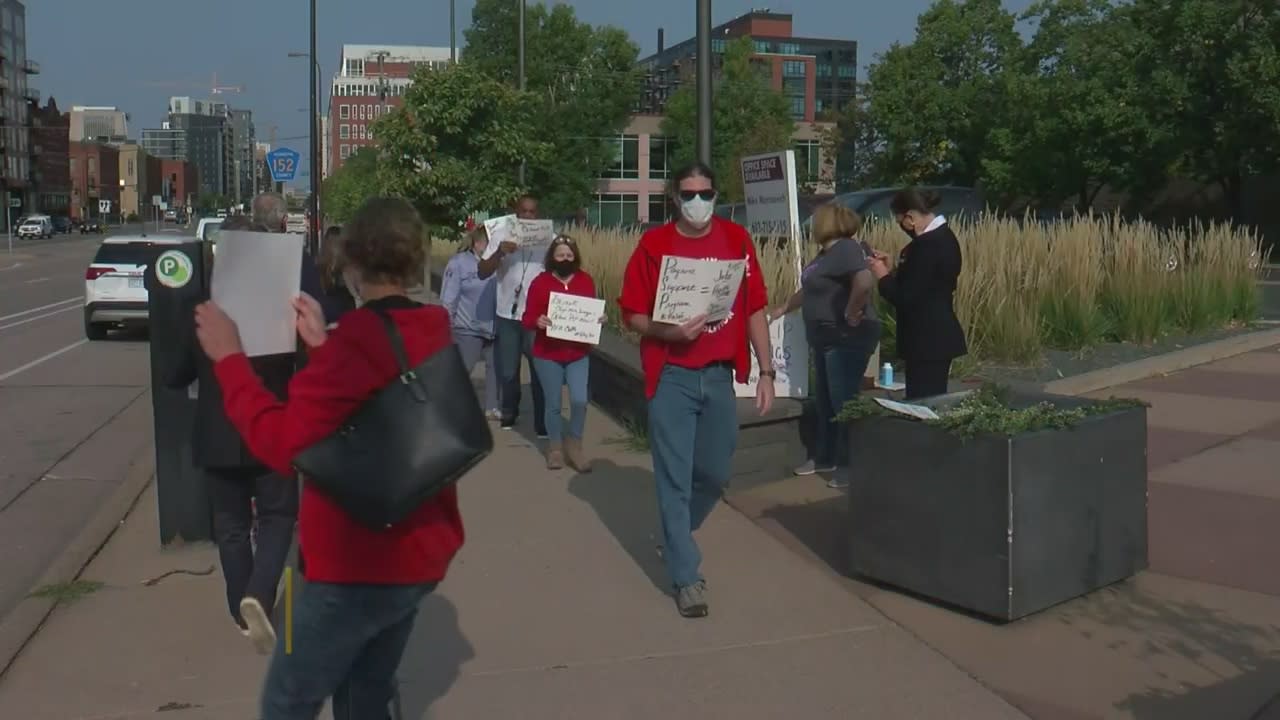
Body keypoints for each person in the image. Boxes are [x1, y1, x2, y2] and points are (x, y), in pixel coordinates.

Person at [193, 197, 465, 718]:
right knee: (367, 690)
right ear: (414, 260)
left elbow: (281, 441)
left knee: (286, 701)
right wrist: (321, 346)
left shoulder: (352, 346)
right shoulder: (434, 329)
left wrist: (230, 358)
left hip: (346, 565)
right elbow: (378, 396)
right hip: (422, 553)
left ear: (351, 263)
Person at [166, 194, 335, 656]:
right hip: (271, 424)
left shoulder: (203, 311)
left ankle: (241, 607)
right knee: (279, 515)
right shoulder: (284, 310)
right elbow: (309, 361)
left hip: (218, 433)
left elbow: (175, 375)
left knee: (231, 524)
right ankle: (259, 594)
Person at [618, 162, 775, 619]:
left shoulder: (736, 240)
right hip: (672, 376)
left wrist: (766, 370)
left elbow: (755, 308)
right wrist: (666, 332)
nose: (697, 202)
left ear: (715, 193)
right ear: (674, 198)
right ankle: (688, 578)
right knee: (673, 475)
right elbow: (631, 315)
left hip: (719, 374)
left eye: (704, 193)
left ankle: (675, 536)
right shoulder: (654, 245)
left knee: (713, 473)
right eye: (688, 194)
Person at [768, 204, 880, 489]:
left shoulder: (847, 249)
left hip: (845, 337)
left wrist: (854, 309)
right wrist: (784, 308)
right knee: (826, 401)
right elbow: (808, 289)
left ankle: (848, 463)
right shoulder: (825, 255)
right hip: (823, 337)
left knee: (844, 402)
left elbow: (864, 280)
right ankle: (824, 456)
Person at [868, 188, 967, 399]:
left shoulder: (928, 246)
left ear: (910, 218)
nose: (901, 227)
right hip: (933, 338)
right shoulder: (942, 238)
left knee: (923, 403)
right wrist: (895, 269)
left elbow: (907, 298)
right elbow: (924, 282)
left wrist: (883, 277)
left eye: (900, 221)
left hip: (927, 340)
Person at [521, 235, 604, 472]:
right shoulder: (541, 282)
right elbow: (527, 317)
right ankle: (555, 448)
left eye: (569, 255)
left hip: (578, 352)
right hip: (547, 353)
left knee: (580, 400)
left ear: (575, 256)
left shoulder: (585, 280)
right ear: (552, 258)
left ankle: (574, 444)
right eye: (560, 255)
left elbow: (591, 311)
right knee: (553, 403)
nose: (565, 259)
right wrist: (537, 320)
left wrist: (599, 319)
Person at [477, 194, 548, 437]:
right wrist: (499, 253)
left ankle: (542, 422)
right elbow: (482, 272)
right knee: (508, 371)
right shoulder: (501, 234)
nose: (528, 216)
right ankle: (510, 411)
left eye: (533, 212)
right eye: (523, 212)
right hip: (507, 314)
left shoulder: (547, 237)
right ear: (515, 213)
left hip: (537, 317)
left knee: (540, 371)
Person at [442, 227, 501, 421]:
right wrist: (447, 324)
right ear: (477, 243)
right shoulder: (459, 263)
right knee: (464, 369)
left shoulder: (499, 263)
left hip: (496, 325)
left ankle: (492, 407)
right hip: (468, 327)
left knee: (496, 368)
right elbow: (449, 297)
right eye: (487, 243)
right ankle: (450, 408)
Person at [317, 225, 357, 318]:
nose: (335, 248)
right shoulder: (321, 267)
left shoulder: (346, 267)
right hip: (334, 312)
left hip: (340, 311)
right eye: (333, 243)